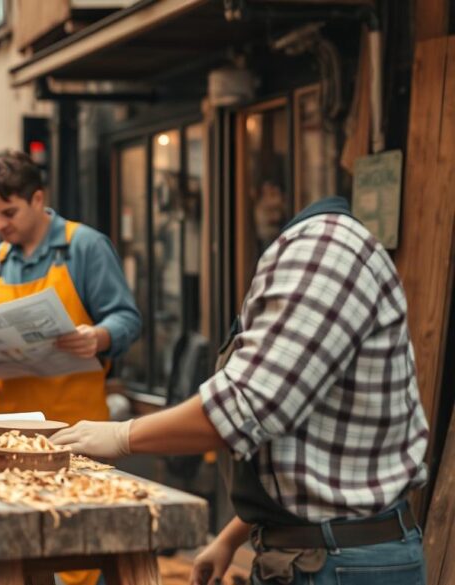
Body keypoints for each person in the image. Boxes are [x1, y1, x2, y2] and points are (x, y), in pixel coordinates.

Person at [51, 196, 429, 585]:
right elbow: (301, 442)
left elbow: (248, 405)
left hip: (343, 562)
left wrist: (121, 434)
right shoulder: (309, 250)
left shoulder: (324, 251)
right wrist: (234, 534)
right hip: (314, 548)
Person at [0, 150, 141, 585]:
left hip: (79, 432)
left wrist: (98, 336)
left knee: (82, 551)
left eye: (8, 212)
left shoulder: (84, 246)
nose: (0, 225)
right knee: (18, 556)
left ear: (37, 199)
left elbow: (128, 319)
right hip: (9, 438)